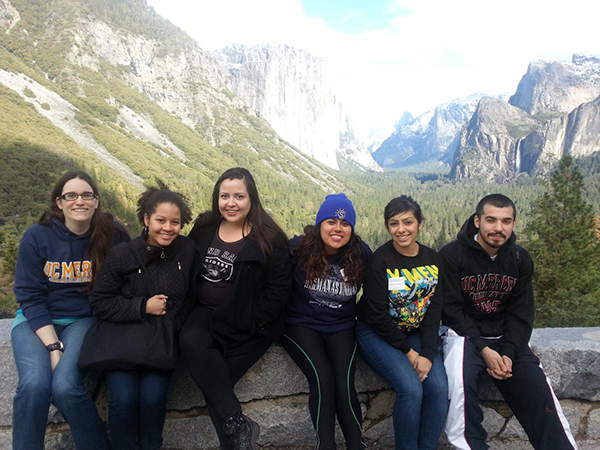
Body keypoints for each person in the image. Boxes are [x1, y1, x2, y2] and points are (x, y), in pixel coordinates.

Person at [440, 193, 577, 450]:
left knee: (539, 391)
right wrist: (485, 350)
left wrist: (510, 353)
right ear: (477, 221)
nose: (498, 228)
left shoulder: (519, 259)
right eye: (491, 220)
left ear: (513, 223)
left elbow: (521, 313)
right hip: (464, 336)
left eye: (506, 221)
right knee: (459, 386)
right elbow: (452, 312)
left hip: (505, 338)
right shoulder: (452, 255)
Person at [11, 170, 130, 450]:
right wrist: (54, 347)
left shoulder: (113, 235)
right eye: (71, 195)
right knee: (34, 385)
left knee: (65, 386)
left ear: (97, 201)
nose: (80, 201)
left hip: (84, 320)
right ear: (59, 202)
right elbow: (29, 296)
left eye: (87, 195)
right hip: (36, 320)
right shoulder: (37, 237)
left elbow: (129, 279)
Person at [179, 167, 292, 450]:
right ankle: (239, 426)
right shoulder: (205, 228)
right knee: (190, 340)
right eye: (224, 196)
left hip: (250, 321)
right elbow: (184, 262)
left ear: (251, 198)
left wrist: (251, 322)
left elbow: (279, 289)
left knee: (217, 384)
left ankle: (234, 437)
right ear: (216, 198)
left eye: (239, 196)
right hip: (207, 311)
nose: (231, 203)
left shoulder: (269, 237)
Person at [88, 184, 195, 449]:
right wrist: (142, 307)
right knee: (123, 400)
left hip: (161, 341)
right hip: (123, 339)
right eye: (160, 220)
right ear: (146, 220)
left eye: (175, 222)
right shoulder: (123, 254)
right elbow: (100, 301)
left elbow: (191, 296)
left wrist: (173, 325)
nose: (167, 228)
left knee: (152, 399)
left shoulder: (188, 251)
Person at [356, 195, 448, 450]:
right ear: (388, 227)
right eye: (394, 223)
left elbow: (433, 311)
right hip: (375, 332)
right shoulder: (380, 261)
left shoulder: (433, 259)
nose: (401, 230)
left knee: (439, 388)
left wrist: (428, 354)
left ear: (420, 224)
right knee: (411, 389)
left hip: (415, 331)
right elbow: (375, 315)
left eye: (407, 222)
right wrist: (409, 352)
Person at [282, 193, 371, 450]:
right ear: (320, 223)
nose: (337, 229)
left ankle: (357, 445)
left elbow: (375, 293)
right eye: (331, 221)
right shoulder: (297, 248)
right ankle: (326, 445)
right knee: (322, 379)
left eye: (344, 224)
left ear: (351, 229)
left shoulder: (361, 253)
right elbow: (275, 284)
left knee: (344, 385)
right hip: (300, 324)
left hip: (342, 325)